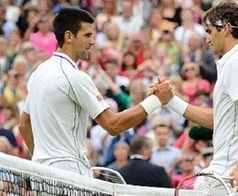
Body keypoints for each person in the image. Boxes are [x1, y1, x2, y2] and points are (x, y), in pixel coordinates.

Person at [18, 8, 173, 177]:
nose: (92, 41)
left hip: (41, 175)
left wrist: (44, 160)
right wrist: (156, 100)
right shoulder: (75, 77)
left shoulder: (38, 73)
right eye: (87, 35)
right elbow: (113, 125)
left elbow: (24, 124)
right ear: (69, 36)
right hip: (70, 176)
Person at [152, 2, 238, 196]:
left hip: (230, 176)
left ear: (224, 29)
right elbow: (219, 119)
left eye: (209, 31)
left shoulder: (237, 63)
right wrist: (172, 101)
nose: (207, 39)